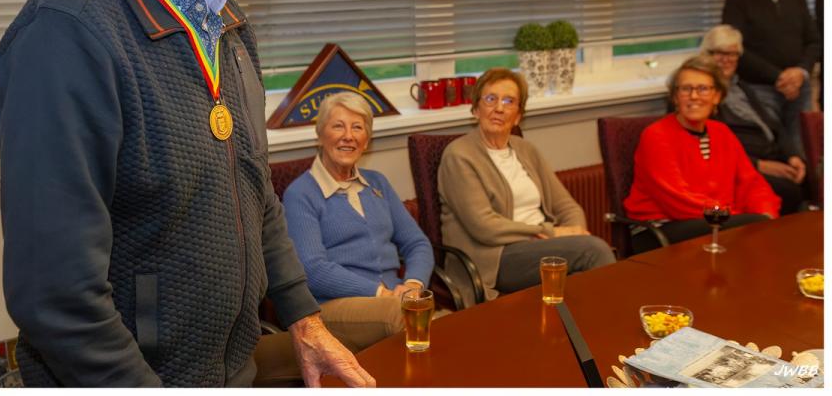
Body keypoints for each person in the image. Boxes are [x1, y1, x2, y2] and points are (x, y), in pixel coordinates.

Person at [0, 0, 373, 388]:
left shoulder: (223, 20)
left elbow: (255, 194)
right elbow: (56, 297)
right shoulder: (69, 32)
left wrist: (304, 318)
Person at [437, 68, 614, 305]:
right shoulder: (459, 156)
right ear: (476, 109)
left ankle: (574, 334)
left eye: (508, 101)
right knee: (593, 251)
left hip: (537, 247)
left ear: (518, 115)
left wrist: (574, 233)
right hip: (494, 257)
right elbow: (485, 227)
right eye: (490, 99)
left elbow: (567, 206)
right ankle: (608, 329)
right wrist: (552, 233)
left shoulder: (525, 150)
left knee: (584, 262)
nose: (499, 108)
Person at [283, 93, 434, 353]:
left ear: (367, 140)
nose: (348, 136)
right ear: (320, 135)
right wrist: (381, 293)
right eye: (338, 126)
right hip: (332, 305)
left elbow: (417, 243)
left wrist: (412, 285)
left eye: (357, 127)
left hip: (391, 300)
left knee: (432, 317)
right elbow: (313, 270)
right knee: (407, 315)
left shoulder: (378, 183)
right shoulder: (301, 194)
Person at [625, 55, 781, 254]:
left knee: (764, 227)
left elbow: (751, 183)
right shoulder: (656, 135)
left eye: (703, 89)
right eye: (686, 89)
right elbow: (678, 200)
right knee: (753, 228)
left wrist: (766, 213)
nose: (694, 96)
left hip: (713, 221)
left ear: (717, 96)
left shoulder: (722, 133)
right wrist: (736, 216)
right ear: (675, 97)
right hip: (660, 230)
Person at [722, 0, 819, 157]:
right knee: (769, 149)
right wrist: (779, 77)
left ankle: (807, 192)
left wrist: (801, 72)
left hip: (800, 88)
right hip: (759, 90)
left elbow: (813, 41)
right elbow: (736, 48)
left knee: (804, 149)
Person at [700, 25, 806, 214]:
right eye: (720, 53)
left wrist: (793, 156)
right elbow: (707, 149)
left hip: (773, 155)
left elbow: (775, 126)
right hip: (743, 166)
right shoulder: (700, 95)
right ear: (706, 54)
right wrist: (759, 165)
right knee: (788, 190)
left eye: (732, 54)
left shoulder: (743, 87)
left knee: (810, 176)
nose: (727, 60)